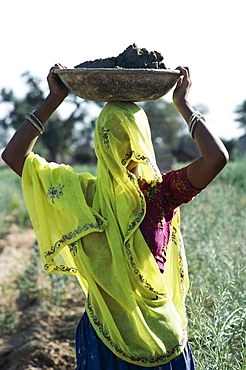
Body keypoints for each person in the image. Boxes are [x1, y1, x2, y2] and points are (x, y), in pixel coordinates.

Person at [2, 63, 229, 370]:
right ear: (143, 141)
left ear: (100, 140)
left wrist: (54, 98)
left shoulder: (81, 195)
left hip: (105, 334)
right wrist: (183, 104)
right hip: (162, 339)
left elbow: (14, 156)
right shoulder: (161, 195)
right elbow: (216, 158)